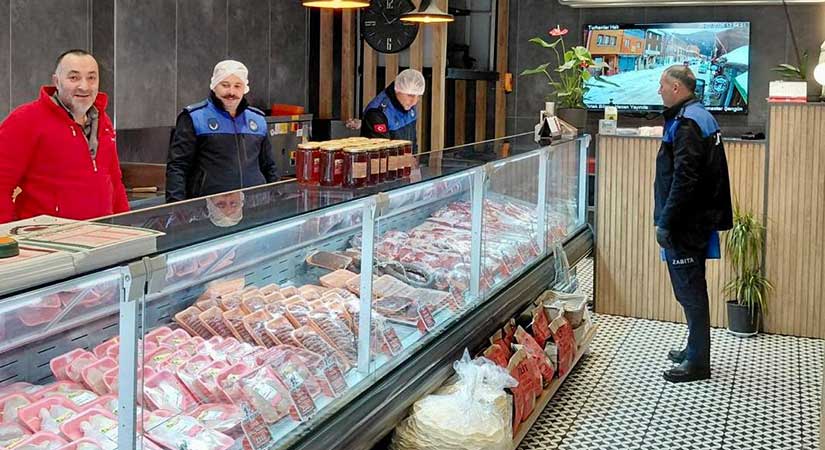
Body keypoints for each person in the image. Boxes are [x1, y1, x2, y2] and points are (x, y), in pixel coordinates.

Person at [654, 65, 733, 383]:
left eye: (662, 85)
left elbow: (684, 180)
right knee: (691, 287)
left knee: (690, 291)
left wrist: (666, 222)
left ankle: (698, 362)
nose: (659, 90)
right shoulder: (699, 115)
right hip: (696, 220)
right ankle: (693, 348)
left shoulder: (687, 122)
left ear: (676, 88)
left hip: (685, 223)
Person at [0, 49, 129, 223]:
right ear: (57, 81)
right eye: (74, 77)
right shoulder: (25, 119)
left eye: (91, 78)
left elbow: (114, 180)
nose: (84, 86)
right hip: (47, 237)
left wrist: (127, 227)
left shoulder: (103, 121)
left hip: (100, 233)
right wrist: (5, 236)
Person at [166, 60, 278, 202]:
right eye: (225, 85)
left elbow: (269, 166)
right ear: (214, 86)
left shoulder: (258, 119)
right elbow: (178, 166)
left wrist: (276, 199)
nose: (231, 92)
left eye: (237, 86)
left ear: (245, 88)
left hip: (254, 205)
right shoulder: (194, 117)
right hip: (208, 207)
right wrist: (176, 207)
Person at [361, 69, 425, 150]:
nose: (414, 101)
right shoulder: (378, 113)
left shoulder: (407, 105)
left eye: (418, 96)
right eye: (410, 95)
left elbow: (413, 144)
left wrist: (414, 156)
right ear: (398, 89)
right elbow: (383, 151)